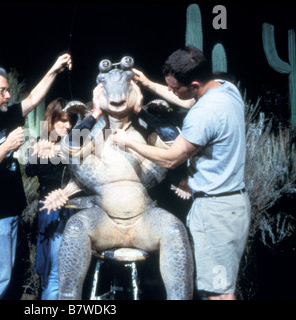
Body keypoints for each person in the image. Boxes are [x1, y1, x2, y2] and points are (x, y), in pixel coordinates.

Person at [112, 46, 251, 300]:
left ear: (195, 84)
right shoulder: (226, 89)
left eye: (174, 88)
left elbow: (171, 158)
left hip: (216, 213)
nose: (171, 92)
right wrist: (149, 84)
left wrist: (128, 142)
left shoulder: (203, 114)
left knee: (219, 294)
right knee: (219, 289)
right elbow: (189, 99)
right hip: (231, 205)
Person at [0, 54, 72, 300]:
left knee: (4, 277)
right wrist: (6, 146)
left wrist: (55, 68)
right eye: (3, 91)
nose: (9, 95)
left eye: (9, 90)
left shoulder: (6, 116)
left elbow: (33, 98)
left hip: (9, 211)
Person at [25, 98, 78, 300]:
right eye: (62, 121)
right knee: (48, 261)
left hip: (72, 205)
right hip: (49, 206)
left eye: (70, 120)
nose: (68, 125)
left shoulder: (75, 143)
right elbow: (30, 170)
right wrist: (41, 152)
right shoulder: (42, 140)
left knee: (64, 263)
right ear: (52, 120)